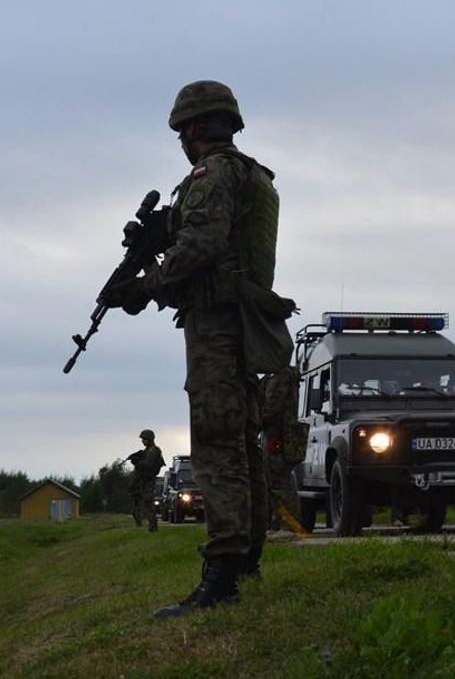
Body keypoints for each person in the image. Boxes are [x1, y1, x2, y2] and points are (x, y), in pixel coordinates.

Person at [104, 80, 290, 618]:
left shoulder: (212, 176)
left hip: (218, 324)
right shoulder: (249, 173)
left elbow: (203, 245)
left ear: (192, 128)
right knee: (241, 442)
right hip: (241, 320)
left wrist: (143, 287)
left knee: (216, 441)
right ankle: (246, 561)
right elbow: (211, 238)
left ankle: (223, 574)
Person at [259, 366, 307, 534]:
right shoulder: (276, 376)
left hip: (278, 435)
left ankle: (289, 527)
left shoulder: (280, 377)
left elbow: (270, 409)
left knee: (280, 482)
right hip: (276, 435)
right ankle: (278, 524)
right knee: (273, 482)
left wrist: (252, 419)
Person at [128, 429, 166, 532]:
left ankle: (152, 526)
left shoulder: (153, 451)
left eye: (143, 439)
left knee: (147, 502)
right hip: (142, 480)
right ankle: (144, 524)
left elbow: (148, 465)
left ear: (149, 439)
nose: (142, 441)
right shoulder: (148, 451)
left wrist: (137, 462)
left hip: (148, 480)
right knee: (140, 501)